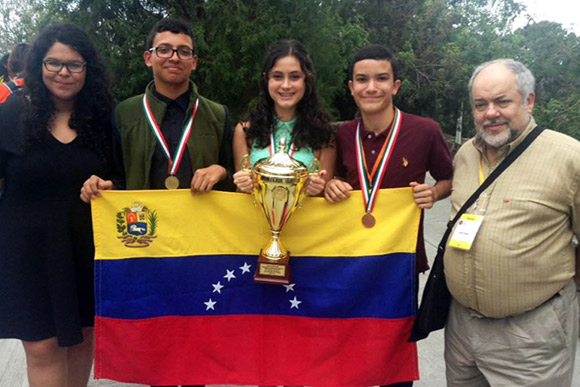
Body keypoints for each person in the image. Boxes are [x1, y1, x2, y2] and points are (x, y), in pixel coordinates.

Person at [80, 16, 234, 387]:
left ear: (194, 61)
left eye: (183, 51)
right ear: (149, 57)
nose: (174, 57)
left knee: (199, 338)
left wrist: (220, 170)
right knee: (156, 340)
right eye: (164, 49)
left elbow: (236, 173)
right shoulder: (125, 113)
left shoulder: (217, 114)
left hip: (201, 248)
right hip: (146, 245)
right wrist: (100, 185)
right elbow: (114, 172)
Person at [444, 59, 580, 386]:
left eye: (502, 101)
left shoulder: (569, 157)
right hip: (462, 329)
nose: (491, 113)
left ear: (529, 100)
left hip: (531, 337)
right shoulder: (465, 155)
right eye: (480, 104)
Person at [324, 44, 453, 387]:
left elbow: (449, 178)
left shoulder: (425, 130)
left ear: (396, 85)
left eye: (381, 78)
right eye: (362, 79)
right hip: (349, 261)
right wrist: (332, 185)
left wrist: (434, 192)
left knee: (392, 354)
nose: (371, 87)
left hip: (400, 263)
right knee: (347, 348)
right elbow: (329, 180)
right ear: (350, 86)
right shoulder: (340, 134)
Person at [0, 23, 114, 387]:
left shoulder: (103, 119)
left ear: (87, 70)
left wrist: (107, 185)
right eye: (54, 63)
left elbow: (123, 178)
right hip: (26, 252)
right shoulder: (11, 115)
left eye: (74, 65)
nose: (64, 73)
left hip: (86, 249)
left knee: (82, 341)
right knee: (42, 348)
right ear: (39, 66)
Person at [232, 39, 335, 196]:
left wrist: (318, 190)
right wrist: (242, 185)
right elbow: (240, 195)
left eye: (294, 77)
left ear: (306, 80)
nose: (286, 85)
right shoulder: (246, 130)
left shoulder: (324, 134)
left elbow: (324, 198)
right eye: (278, 76)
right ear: (266, 80)